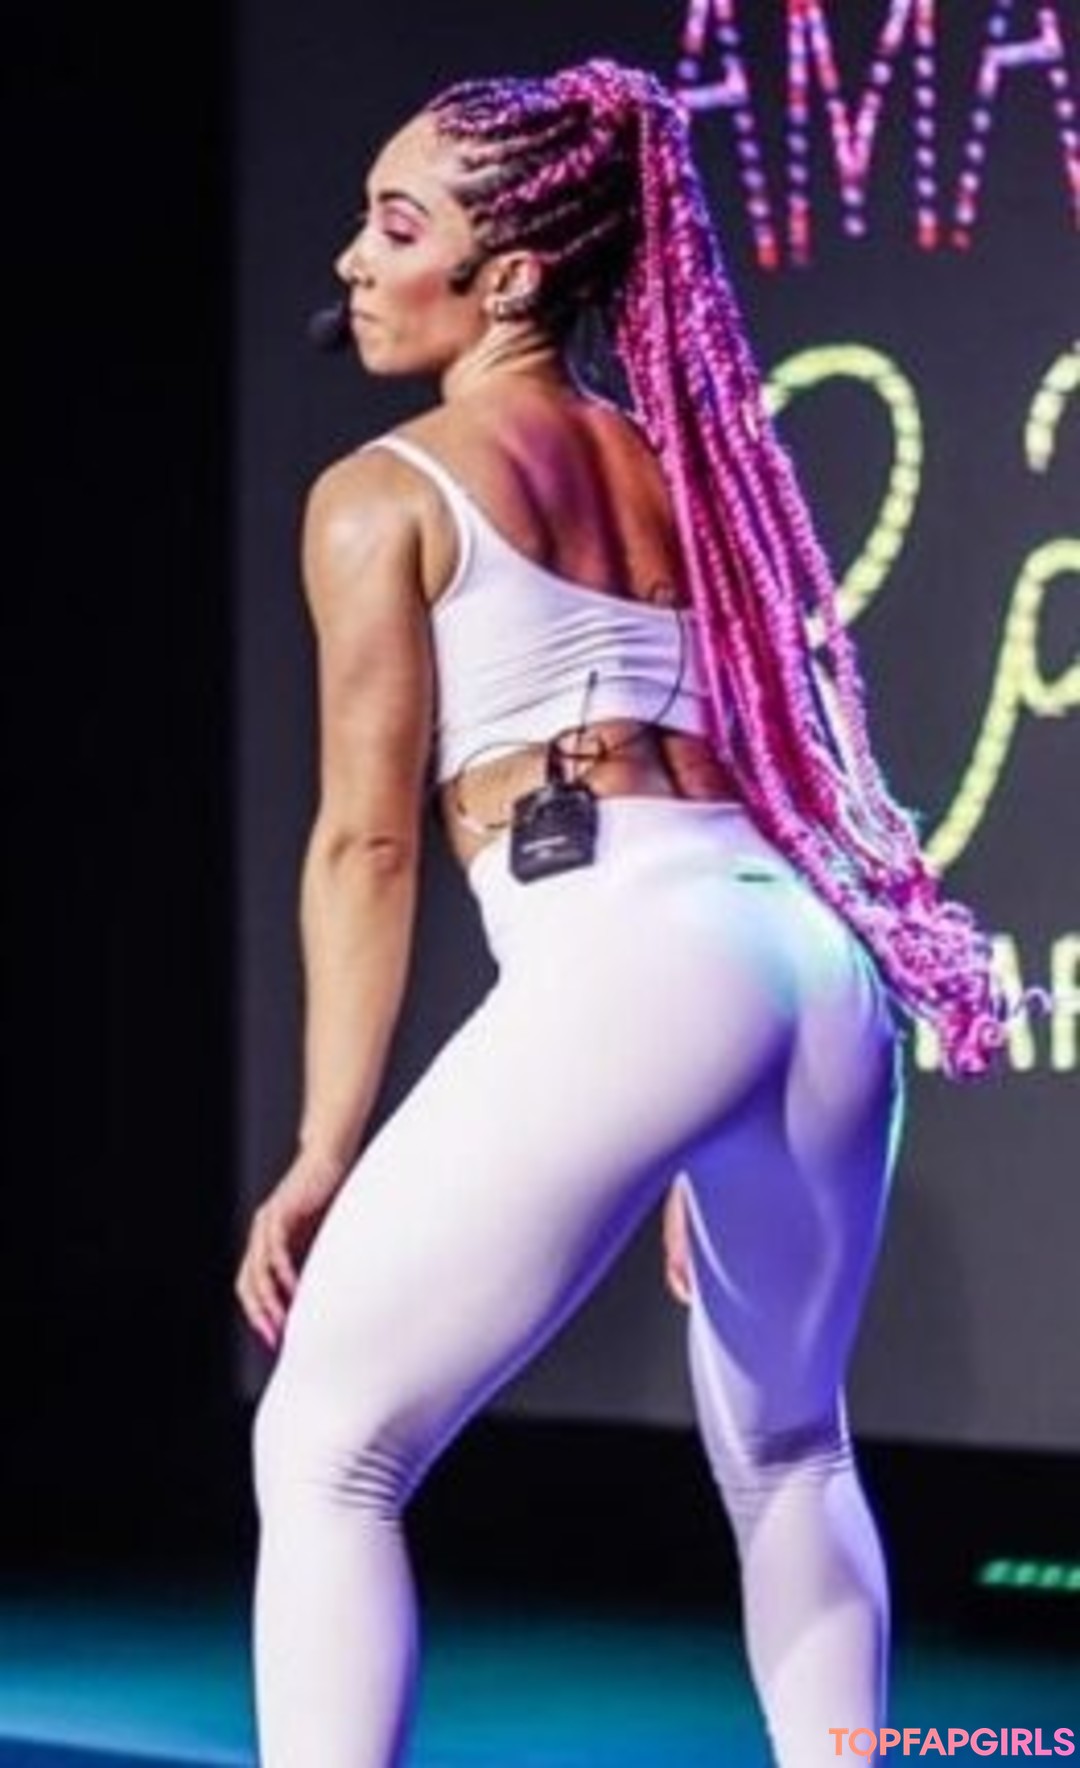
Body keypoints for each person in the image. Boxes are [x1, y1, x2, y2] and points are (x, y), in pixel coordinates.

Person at [234, 57, 1004, 1768]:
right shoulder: (696, 477)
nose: (352, 261)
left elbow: (367, 845)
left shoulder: (384, 492)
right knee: (791, 1453)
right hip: (805, 960)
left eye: (396, 226)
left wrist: (323, 1145)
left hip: (640, 968)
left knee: (327, 1452)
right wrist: (688, 1108)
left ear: (509, 275)